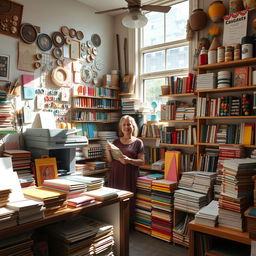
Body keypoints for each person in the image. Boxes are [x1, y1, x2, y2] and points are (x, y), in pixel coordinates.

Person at [105, 115, 145, 222]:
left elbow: (142, 162)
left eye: (129, 124)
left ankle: (127, 227)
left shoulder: (138, 142)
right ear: (121, 128)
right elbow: (110, 160)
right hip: (116, 175)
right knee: (115, 200)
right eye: (124, 125)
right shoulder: (116, 142)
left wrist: (129, 160)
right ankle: (115, 224)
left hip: (129, 177)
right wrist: (108, 150)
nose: (126, 127)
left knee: (128, 201)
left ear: (133, 126)